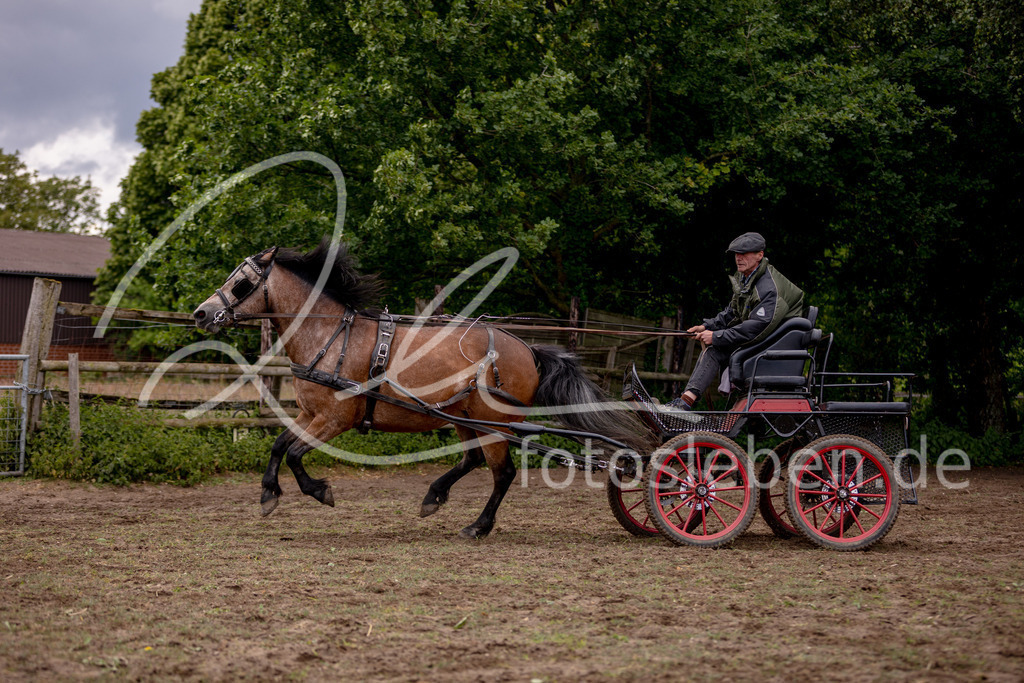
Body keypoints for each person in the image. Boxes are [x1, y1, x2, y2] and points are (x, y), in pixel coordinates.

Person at [666, 232, 805, 410]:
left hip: (775, 348)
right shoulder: (746, 278)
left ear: (759, 255)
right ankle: (685, 402)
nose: (738, 258)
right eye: (736, 254)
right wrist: (706, 326)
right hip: (765, 341)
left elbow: (755, 328)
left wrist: (716, 336)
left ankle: (684, 404)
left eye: (744, 253)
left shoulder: (769, 289)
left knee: (716, 347)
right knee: (715, 349)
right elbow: (733, 312)